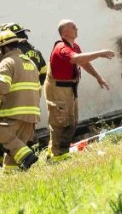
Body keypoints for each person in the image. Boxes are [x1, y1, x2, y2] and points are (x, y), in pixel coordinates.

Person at [45, 19, 114, 159]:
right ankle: (58, 154)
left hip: (68, 88)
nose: (77, 28)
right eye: (74, 27)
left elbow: (83, 62)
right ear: (65, 32)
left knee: (71, 120)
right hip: (59, 89)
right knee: (62, 120)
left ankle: (54, 151)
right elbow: (76, 59)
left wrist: (98, 77)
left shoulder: (74, 46)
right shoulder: (62, 49)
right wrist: (99, 53)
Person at [0, 29, 42, 170]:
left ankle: (27, 156)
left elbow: (1, 87)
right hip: (31, 114)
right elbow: (38, 88)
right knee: (13, 150)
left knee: (2, 136)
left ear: (4, 48)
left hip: (11, 111)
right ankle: (9, 174)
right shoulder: (30, 62)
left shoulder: (6, 62)